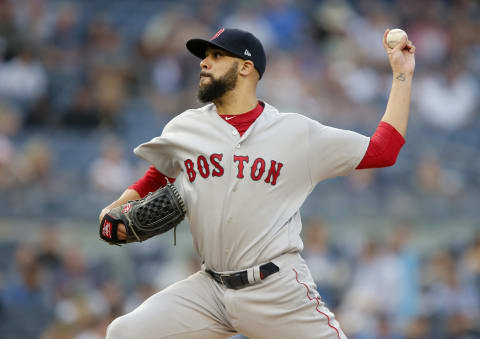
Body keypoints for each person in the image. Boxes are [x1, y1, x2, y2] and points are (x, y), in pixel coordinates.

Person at [99, 28, 415, 339]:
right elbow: (156, 177)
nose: (203, 63)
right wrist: (112, 214)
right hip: (209, 290)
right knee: (125, 332)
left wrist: (402, 75)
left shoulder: (296, 133)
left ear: (246, 67)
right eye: (205, 56)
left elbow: (383, 151)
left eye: (216, 55)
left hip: (276, 289)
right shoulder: (185, 127)